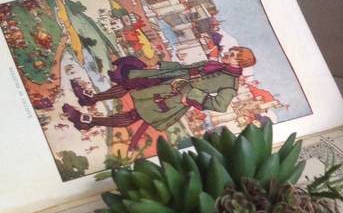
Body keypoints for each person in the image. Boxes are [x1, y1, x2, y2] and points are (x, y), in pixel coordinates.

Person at [62, 47, 256, 146]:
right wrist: (160, 66)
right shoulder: (213, 64)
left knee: (136, 114)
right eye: (230, 52)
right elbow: (185, 68)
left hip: (173, 99)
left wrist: (192, 96)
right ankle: (90, 99)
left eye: (232, 55)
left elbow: (220, 105)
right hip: (165, 79)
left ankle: (89, 121)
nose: (227, 54)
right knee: (130, 83)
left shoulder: (230, 84)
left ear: (240, 63)